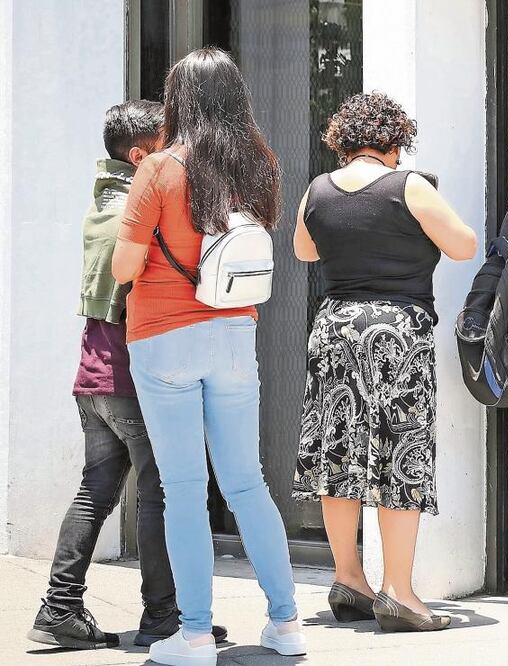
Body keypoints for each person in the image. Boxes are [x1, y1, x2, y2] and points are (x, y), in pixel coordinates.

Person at [111, 48, 304, 665]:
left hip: (164, 337)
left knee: (184, 488)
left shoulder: (160, 170)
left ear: (178, 99)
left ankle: (194, 634)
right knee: (248, 483)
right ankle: (287, 623)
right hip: (233, 335)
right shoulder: (259, 165)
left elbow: (123, 266)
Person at [28, 101, 226, 652]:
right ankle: (166, 617)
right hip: (132, 378)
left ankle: (59, 608)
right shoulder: (132, 213)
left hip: (94, 375)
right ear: (141, 156)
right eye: (168, 147)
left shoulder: (104, 203)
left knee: (97, 492)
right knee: (161, 491)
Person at [291, 91, 477, 633]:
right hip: (395, 330)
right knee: (401, 451)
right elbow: (464, 245)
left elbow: (305, 251)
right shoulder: (408, 186)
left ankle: (349, 577)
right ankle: (399, 591)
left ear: (344, 141)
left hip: (335, 328)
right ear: (394, 140)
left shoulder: (318, 190)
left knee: (337, 451)